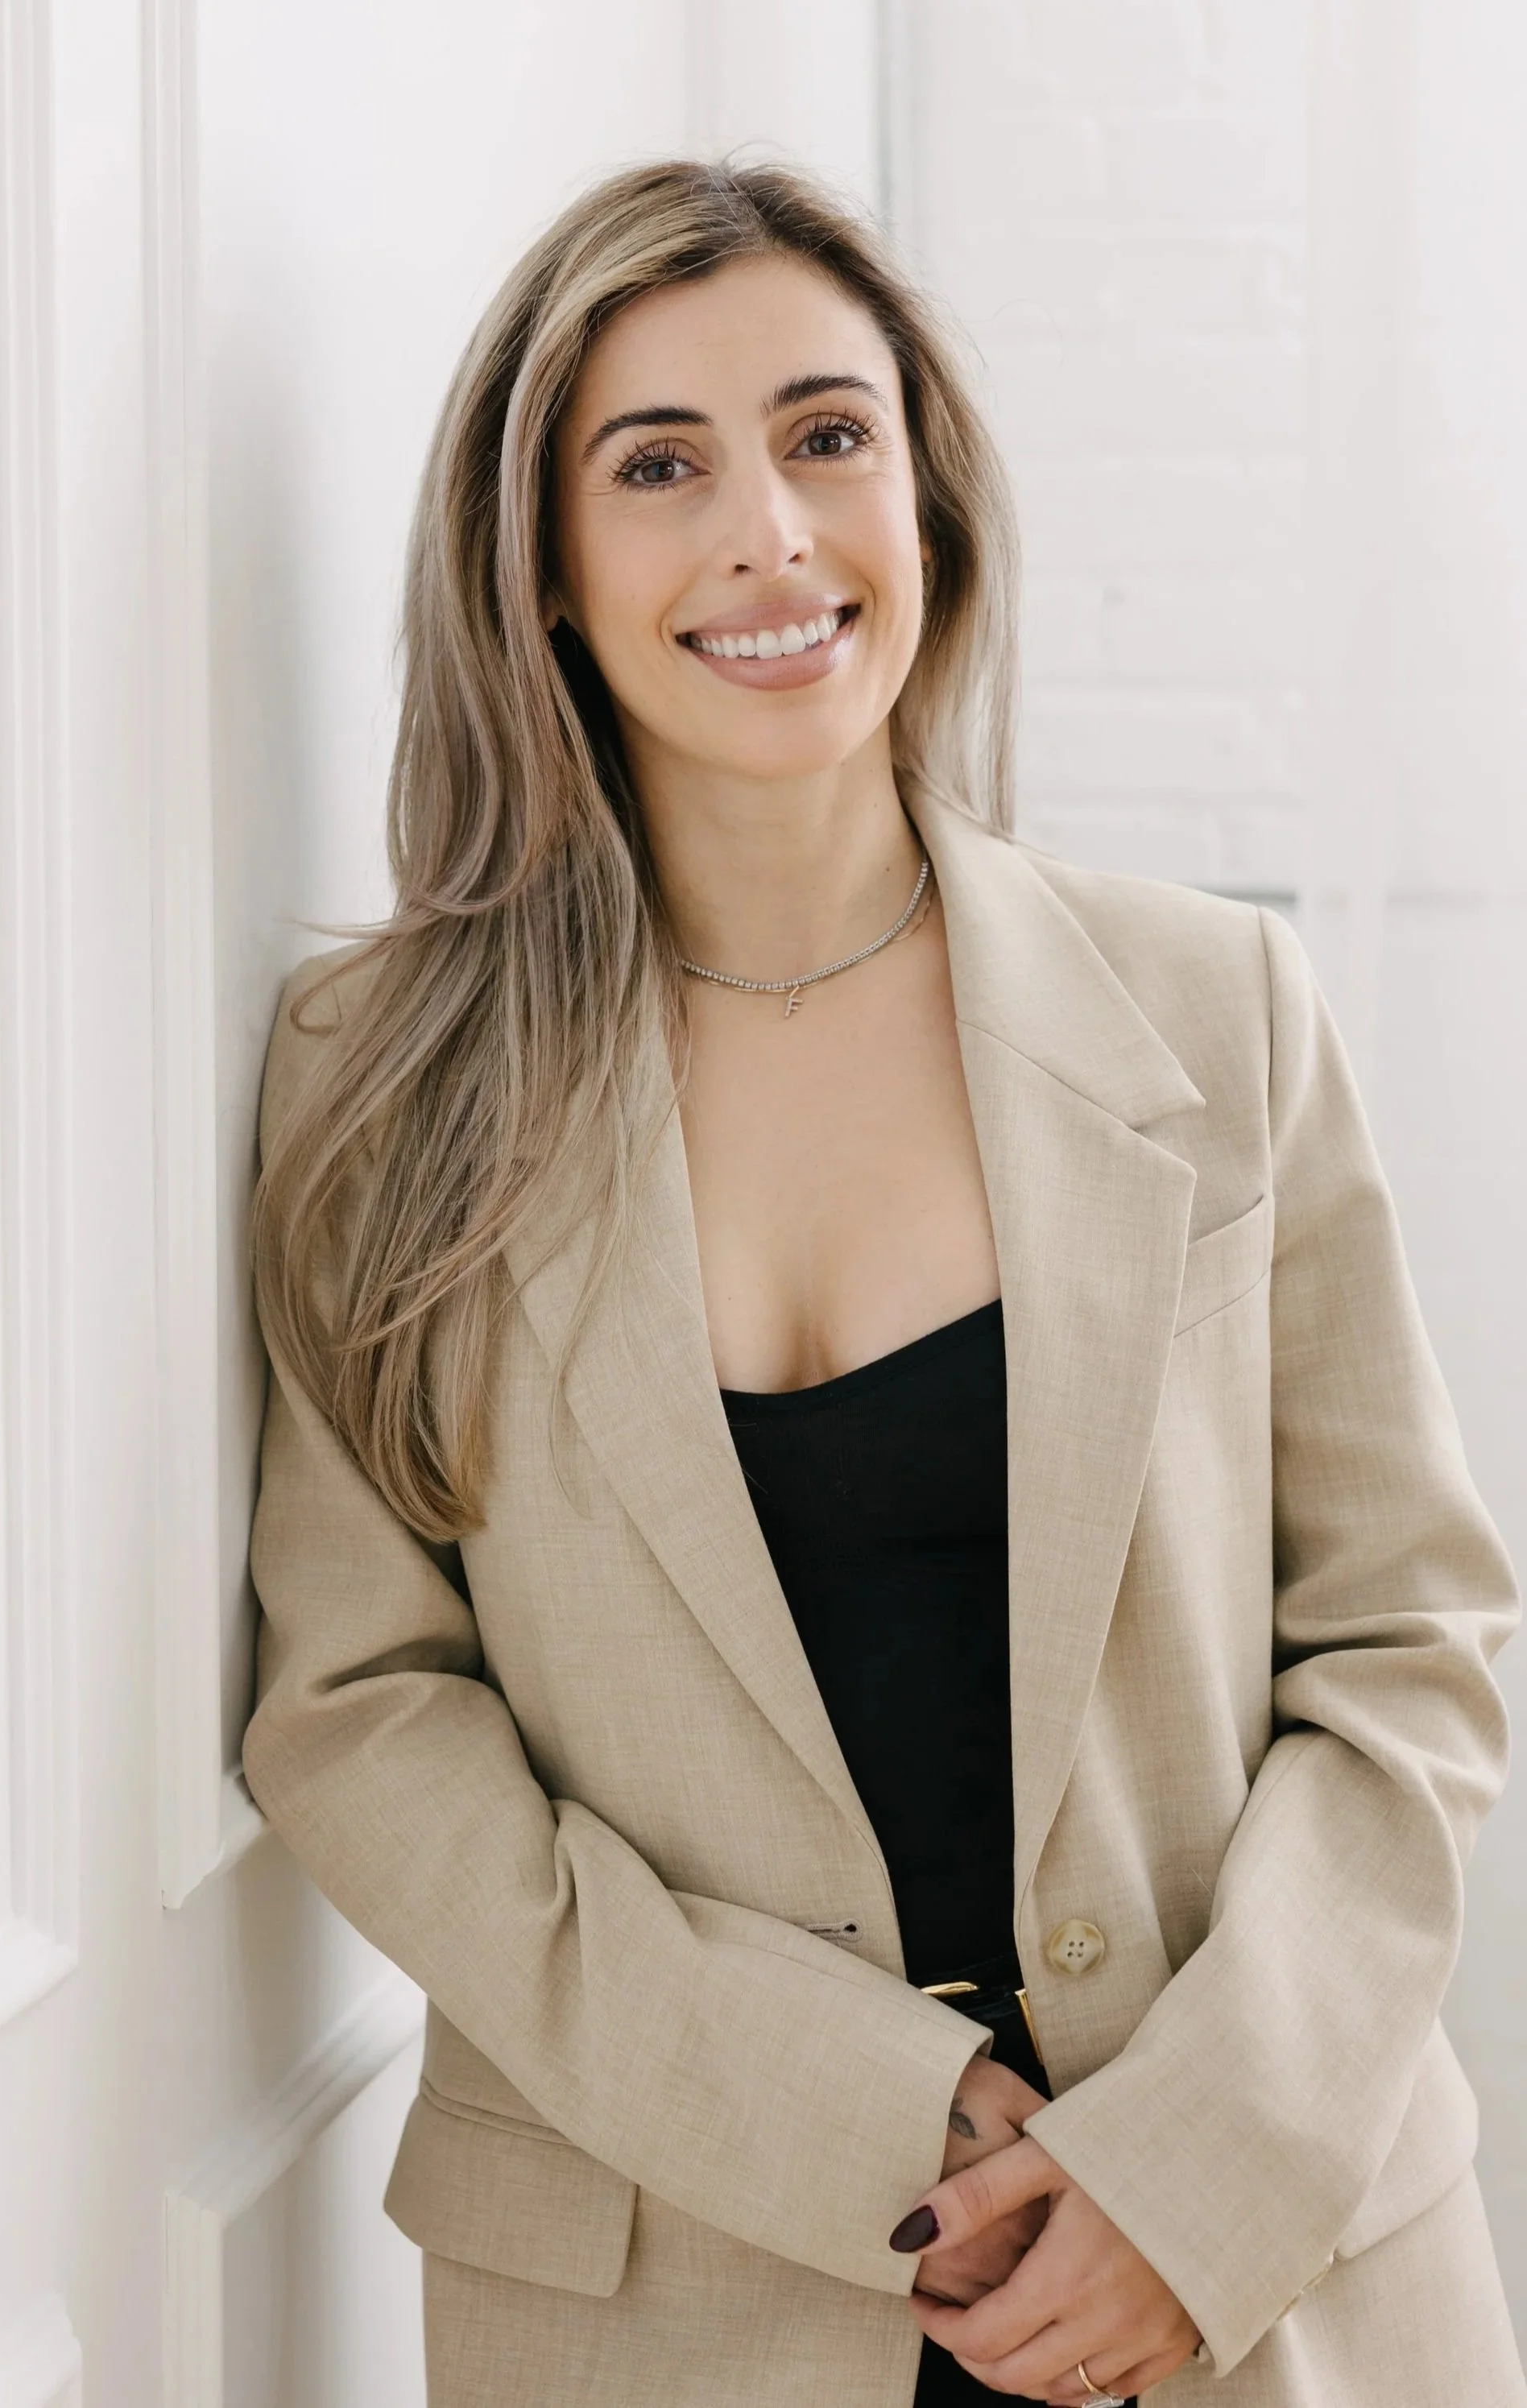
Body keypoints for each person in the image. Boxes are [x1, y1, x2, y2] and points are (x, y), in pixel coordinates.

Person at [242, 159, 1525, 2407]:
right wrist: (866, 2112)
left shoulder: (1216, 1009)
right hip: (665, 2292)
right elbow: (361, 1716)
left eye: (830, 435)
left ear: (926, 495)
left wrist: (1197, 2173)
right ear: (540, 565)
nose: (771, 535)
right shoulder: (381, 1086)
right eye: (661, 466)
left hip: (1255, 2281)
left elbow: (1413, 1648)